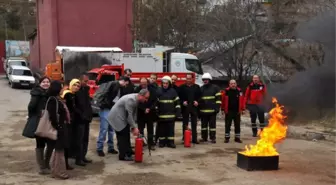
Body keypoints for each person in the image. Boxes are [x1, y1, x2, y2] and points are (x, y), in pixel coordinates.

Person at [107, 90, 150, 161]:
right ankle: (122, 156)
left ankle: (128, 151)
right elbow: (129, 115)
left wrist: (134, 126)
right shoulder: (131, 100)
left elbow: (133, 114)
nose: (146, 100)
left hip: (122, 117)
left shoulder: (136, 98)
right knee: (122, 135)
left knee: (126, 134)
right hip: (117, 118)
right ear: (141, 95)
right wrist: (134, 127)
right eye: (146, 98)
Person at [26, 76, 54, 175]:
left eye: (48, 82)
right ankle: (42, 167)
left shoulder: (51, 94)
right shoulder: (37, 93)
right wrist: (33, 116)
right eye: (44, 82)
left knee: (51, 143)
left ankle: (46, 164)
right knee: (40, 144)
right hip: (40, 122)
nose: (46, 83)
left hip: (49, 122)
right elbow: (31, 106)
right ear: (40, 83)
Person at [96, 77, 126, 156]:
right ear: (123, 81)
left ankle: (109, 148)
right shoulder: (115, 86)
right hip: (106, 108)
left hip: (108, 108)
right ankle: (100, 148)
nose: (126, 85)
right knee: (105, 129)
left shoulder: (116, 86)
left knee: (109, 129)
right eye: (126, 83)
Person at [47, 80, 70, 179]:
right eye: (61, 87)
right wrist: (59, 127)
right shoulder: (53, 100)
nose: (62, 89)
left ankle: (55, 171)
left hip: (59, 127)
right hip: (58, 128)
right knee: (59, 152)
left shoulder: (56, 99)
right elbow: (52, 116)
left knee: (57, 151)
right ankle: (60, 172)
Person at [61, 79, 81, 169]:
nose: (76, 87)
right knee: (66, 142)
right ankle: (64, 164)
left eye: (78, 86)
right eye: (74, 85)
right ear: (70, 85)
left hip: (71, 121)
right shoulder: (67, 94)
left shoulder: (73, 94)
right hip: (66, 122)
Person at [156, 76, 181, 148]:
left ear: (169, 83)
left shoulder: (173, 91)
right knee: (162, 130)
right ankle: (162, 142)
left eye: (166, 83)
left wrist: (178, 112)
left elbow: (177, 103)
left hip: (171, 115)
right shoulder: (159, 91)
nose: (165, 85)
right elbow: (156, 103)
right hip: (161, 115)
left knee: (171, 130)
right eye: (163, 83)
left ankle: (171, 142)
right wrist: (156, 112)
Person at [74, 74, 93, 165]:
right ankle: (78, 158)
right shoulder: (76, 91)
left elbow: (88, 104)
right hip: (79, 119)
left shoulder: (86, 90)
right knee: (79, 140)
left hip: (87, 118)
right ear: (80, 80)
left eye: (87, 81)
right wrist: (81, 115)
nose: (86, 83)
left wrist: (89, 115)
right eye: (85, 81)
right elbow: (75, 106)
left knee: (85, 139)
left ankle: (83, 156)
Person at [134, 77, 157, 150]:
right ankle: (141, 142)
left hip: (150, 112)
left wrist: (149, 108)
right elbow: (136, 101)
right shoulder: (137, 90)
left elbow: (155, 101)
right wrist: (144, 109)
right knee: (140, 129)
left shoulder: (152, 90)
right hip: (140, 112)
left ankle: (151, 144)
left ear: (147, 83)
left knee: (150, 129)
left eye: (144, 84)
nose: (143, 85)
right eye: (142, 84)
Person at [178, 74, 201, 144]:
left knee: (194, 123)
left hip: (194, 107)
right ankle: (185, 138)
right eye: (187, 79)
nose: (188, 80)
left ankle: (194, 139)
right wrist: (182, 102)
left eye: (190, 79)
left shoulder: (197, 87)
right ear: (185, 79)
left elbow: (200, 96)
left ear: (192, 79)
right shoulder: (181, 87)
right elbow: (178, 98)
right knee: (185, 123)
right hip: (185, 107)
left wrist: (197, 102)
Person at [199, 73, 221, 143]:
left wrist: (217, 108)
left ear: (209, 80)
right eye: (204, 80)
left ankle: (213, 138)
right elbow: (199, 100)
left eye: (206, 80)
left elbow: (218, 99)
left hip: (212, 111)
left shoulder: (215, 88)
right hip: (203, 111)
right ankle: (204, 138)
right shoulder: (201, 88)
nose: (205, 81)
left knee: (212, 126)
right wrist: (199, 110)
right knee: (203, 126)